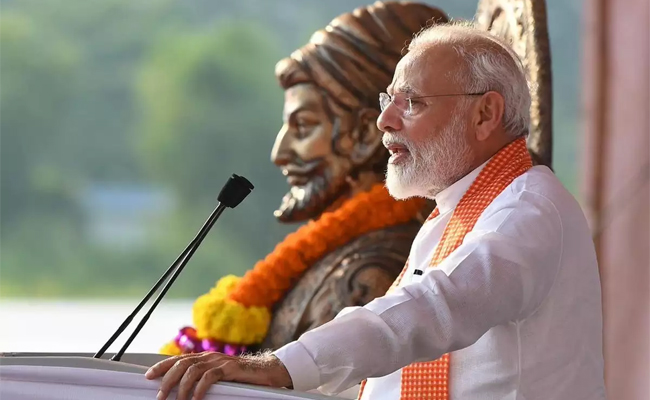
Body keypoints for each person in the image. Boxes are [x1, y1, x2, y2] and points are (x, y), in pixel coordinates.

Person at [146, 22, 607, 400]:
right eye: (389, 100)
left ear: (485, 114)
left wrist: (281, 367)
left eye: (412, 102)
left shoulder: (526, 209)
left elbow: (435, 309)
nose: (385, 120)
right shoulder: (455, 211)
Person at [160, 1, 445, 356]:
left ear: (363, 134)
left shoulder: (374, 269)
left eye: (304, 126)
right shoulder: (342, 251)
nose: (279, 152)